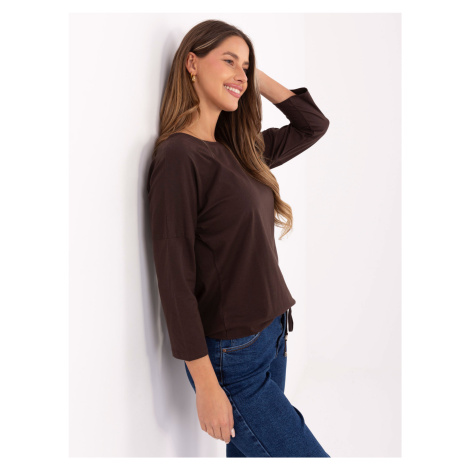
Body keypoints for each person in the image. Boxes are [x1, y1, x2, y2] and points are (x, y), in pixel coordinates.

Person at [147, 19, 331, 457]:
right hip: (233, 358)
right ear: (192, 63)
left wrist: (249, 77)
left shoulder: (241, 151)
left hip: (273, 335)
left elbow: (312, 124)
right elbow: (174, 279)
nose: (241, 75)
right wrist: (206, 384)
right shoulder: (178, 157)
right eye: (228, 61)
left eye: (245, 66)